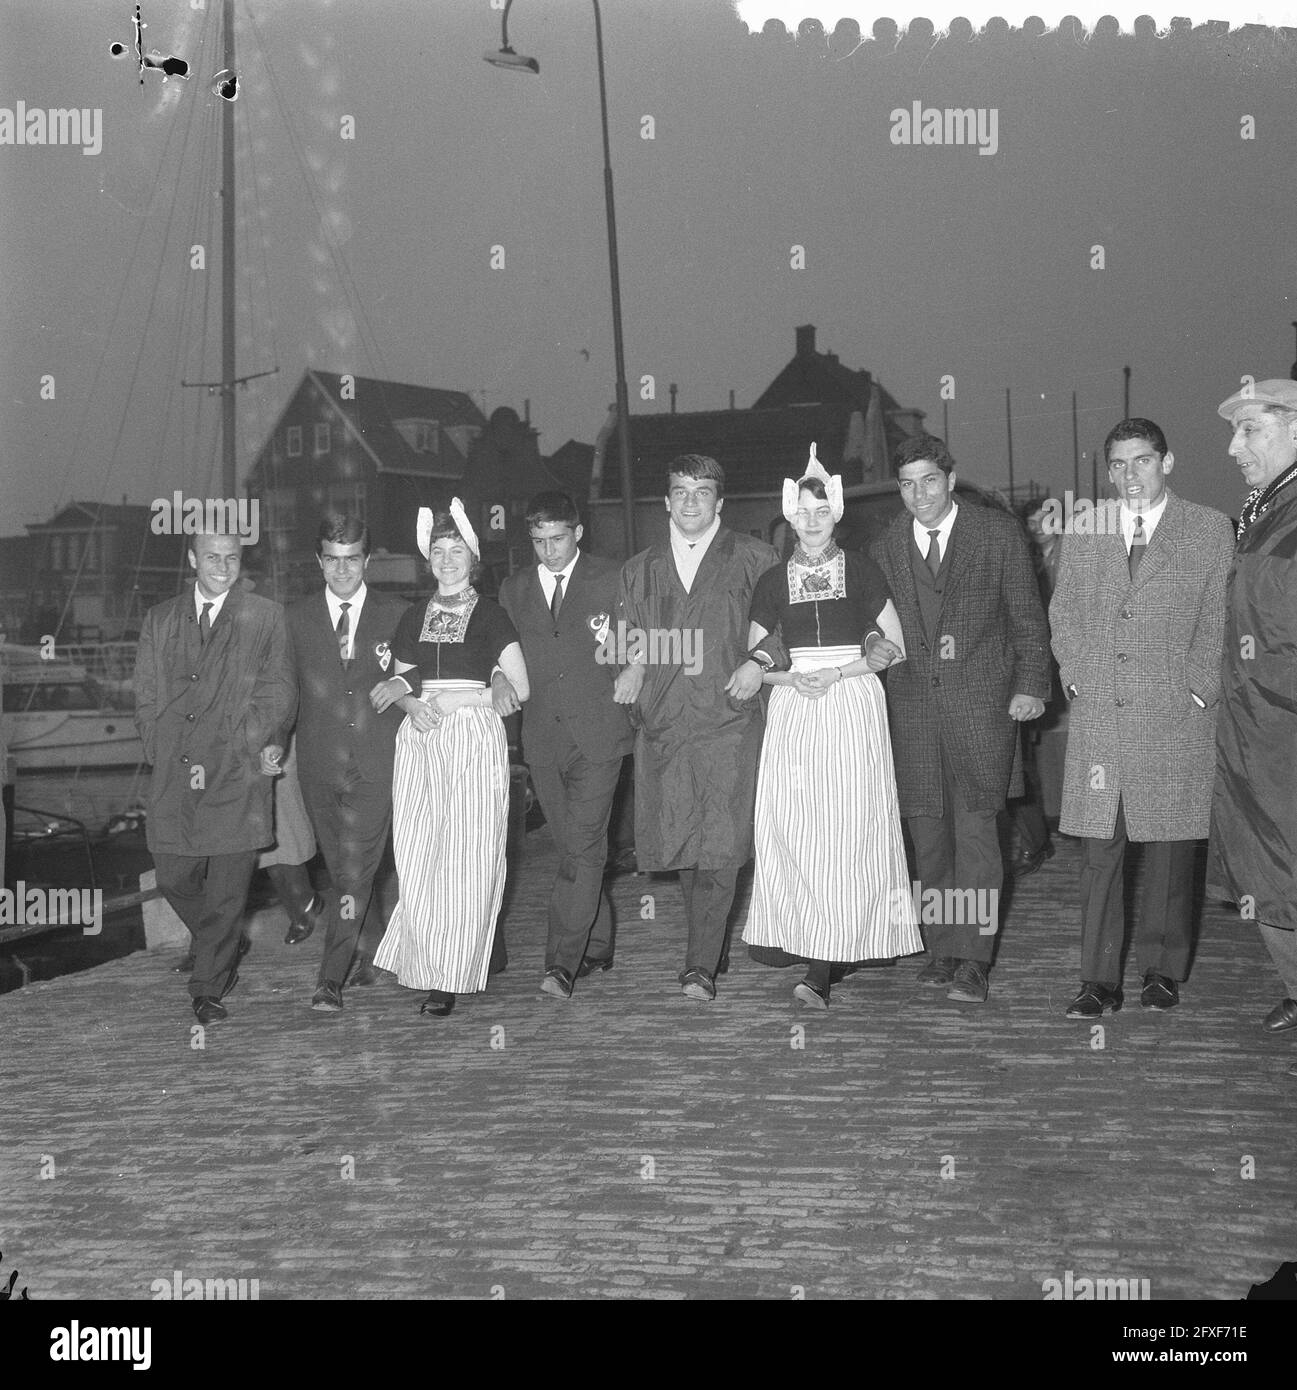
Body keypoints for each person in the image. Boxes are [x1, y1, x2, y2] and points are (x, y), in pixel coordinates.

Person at [1051, 418, 1233, 1018]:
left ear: (1168, 462)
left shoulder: (1208, 530)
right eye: (1120, 465)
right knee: (1100, 852)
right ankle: (1097, 978)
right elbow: (1065, 615)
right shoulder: (1085, 529)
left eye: (1144, 461)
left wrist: (1200, 689)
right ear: (1108, 472)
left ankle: (1161, 969)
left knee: (1171, 851)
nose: (1132, 475)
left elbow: (1218, 616)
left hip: (1176, 715)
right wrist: (1076, 675)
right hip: (1104, 713)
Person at [872, 435, 1050, 1004]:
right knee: (929, 839)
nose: (919, 494)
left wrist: (1031, 687)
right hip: (913, 714)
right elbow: (873, 625)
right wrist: (874, 643)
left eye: (929, 480)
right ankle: (944, 948)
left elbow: (1027, 618)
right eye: (907, 483)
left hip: (983, 710)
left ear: (949, 479)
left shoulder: (997, 534)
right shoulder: (884, 546)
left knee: (976, 837)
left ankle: (973, 959)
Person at [741, 448, 922, 1008]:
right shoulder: (772, 582)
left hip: (851, 705)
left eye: (822, 510)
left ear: (836, 513)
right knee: (799, 828)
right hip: (797, 712)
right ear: (788, 517)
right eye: (802, 510)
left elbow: (892, 647)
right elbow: (758, 659)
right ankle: (812, 941)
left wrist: (840, 672)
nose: (812, 519)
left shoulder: (864, 571)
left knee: (850, 829)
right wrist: (788, 680)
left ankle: (830, 959)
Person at [614, 454, 779, 1001]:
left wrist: (758, 662)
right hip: (665, 721)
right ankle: (707, 944)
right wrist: (633, 662)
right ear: (665, 501)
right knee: (682, 837)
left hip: (727, 719)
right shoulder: (639, 569)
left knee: (722, 840)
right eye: (680, 491)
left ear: (720, 502)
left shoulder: (756, 558)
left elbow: (785, 625)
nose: (690, 502)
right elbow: (625, 636)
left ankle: (699, 962)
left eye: (702, 491)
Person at [371, 502, 529, 1018]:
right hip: (421, 739)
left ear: (473, 555)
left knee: (468, 856)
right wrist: (411, 704)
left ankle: (449, 975)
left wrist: (465, 699)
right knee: (419, 852)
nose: (446, 559)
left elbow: (518, 688)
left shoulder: (491, 614)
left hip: (471, 739)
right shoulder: (413, 616)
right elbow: (405, 679)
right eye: (437, 550)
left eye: (456, 549)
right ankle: (426, 959)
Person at [134, 531, 296, 1024]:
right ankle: (222, 945)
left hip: (235, 774)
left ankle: (207, 987)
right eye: (211, 556)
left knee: (227, 890)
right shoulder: (161, 619)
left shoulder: (264, 616)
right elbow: (145, 695)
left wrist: (243, 742)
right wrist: (159, 746)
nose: (222, 566)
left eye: (231, 557)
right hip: (174, 774)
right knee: (173, 875)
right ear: (192, 559)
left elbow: (280, 691)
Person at [498, 491, 633, 1001]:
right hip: (543, 738)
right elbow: (500, 650)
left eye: (558, 539)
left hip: (600, 732)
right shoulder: (513, 589)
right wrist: (496, 678)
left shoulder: (613, 576)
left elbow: (641, 637)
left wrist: (636, 664)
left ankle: (561, 962)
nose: (549, 551)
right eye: (538, 542)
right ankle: (598, 942)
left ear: (578, 533)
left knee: (581, 846)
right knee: (578, 848)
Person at [283, 515, 410, 1013]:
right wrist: (271, 741)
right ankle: (371, 950)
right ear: (319, 561)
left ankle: (328, 979)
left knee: (354, 870)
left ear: (367, 560)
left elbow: (424, 675)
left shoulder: (398, 614)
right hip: (318, 766)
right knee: (344, 874)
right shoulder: (293, 619)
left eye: (352, 559)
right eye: (332, 561)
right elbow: (283, 690)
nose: (342, 570)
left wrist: (404, 684)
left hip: (376, 764)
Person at [1206, 378, 1297, 1077]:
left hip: (1281, 733)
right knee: (1266, 873)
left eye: (1251, 431)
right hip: (1251, 733)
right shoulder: (1266, 508)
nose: (1234, 447)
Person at [1006, 499, 1061, 877]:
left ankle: (1037, 841)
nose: (1037, 527)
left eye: (1044, 520)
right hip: (1027, 667)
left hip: (1050, 663)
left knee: (1022, 764)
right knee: (1020, 761)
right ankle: (1037, 840)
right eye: (1031, 521)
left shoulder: (1071, 557)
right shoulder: (1026, 560)